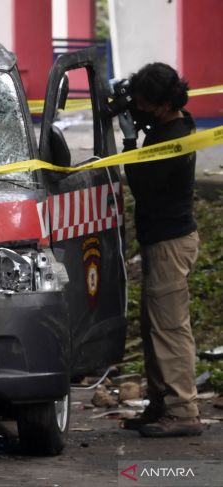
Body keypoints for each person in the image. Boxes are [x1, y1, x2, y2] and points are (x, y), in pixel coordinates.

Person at [117, 63, 202, 437]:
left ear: (164, 104)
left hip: (170, 242)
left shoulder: (174, 136)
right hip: (162, 239)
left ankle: (183, 411)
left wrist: (129, 142)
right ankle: (161, 403)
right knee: (154, 327)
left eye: (146, 103)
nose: (142, 109)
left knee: (170, 328)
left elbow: (142, 184)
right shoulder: (171, 124)